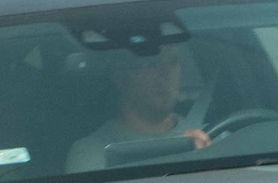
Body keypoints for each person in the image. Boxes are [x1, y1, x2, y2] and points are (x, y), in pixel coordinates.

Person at [65, 45, 209, 171]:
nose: (165, 73)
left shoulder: (211, 136)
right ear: (120, 78)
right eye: (150, 64)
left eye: (172, 62)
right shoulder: (92, 153)